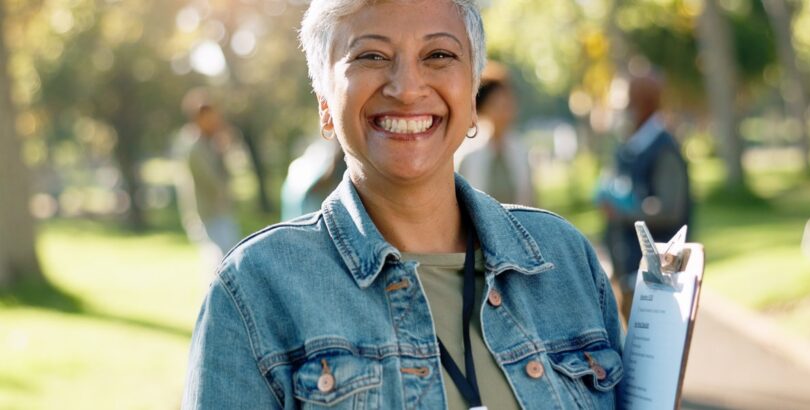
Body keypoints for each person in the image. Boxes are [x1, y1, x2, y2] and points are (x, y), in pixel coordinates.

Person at [183, 1, 623, 408]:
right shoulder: (253, 291)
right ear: (323, 103)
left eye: (439, 56)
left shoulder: (565, 261)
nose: (408, 88)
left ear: (472, 98)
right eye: (371, 56)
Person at [596, 73, 692, 321]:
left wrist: (623, 212)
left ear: (643, 104)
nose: (625, 110)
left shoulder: (663, 148)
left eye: (629, 103)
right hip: (629, 270)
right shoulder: (633, 145)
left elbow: (670, 210)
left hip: (657, 278)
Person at [174, 93, 241, 261]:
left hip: (219, 211)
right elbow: (214, 182)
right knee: (221, 264)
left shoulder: (209, 142)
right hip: (208, 215)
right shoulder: (194, 147)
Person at [458, 61, 535, 206]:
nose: (506, 109)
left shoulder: (521, 150)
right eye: (498, 103)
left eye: (508, 101)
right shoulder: (468, 153)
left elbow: (532, 201)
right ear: (484, 106)